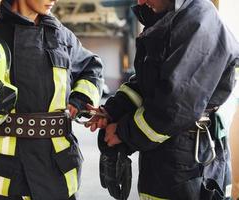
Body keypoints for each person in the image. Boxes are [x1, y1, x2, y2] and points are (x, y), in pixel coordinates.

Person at [0, 0, 103, 199]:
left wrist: (81, 99)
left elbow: (92, 68)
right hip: (4, 175)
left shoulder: (63, 37)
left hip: (55, 174)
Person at [87, 0, 239, 199]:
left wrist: (124, 133)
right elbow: (147, 83)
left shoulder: (200, 20)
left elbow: (176, 106)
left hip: (188, 154)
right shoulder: (171, 18)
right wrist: (112, 111)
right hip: (165, 151)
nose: (140, 2)